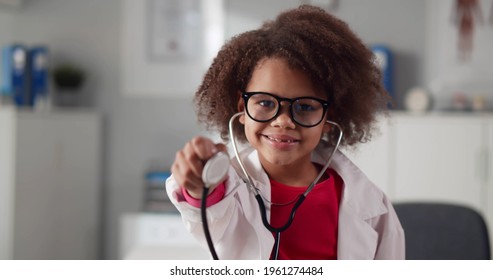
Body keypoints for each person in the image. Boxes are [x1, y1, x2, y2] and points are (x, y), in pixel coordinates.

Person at [166, 5, 405, 260]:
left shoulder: (371, 206)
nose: (283, 121)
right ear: (241, 107)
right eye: (265, 103)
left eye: (304, 107)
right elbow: (209, 212)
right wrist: (198, 186)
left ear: (328, 117)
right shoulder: (227, 191)